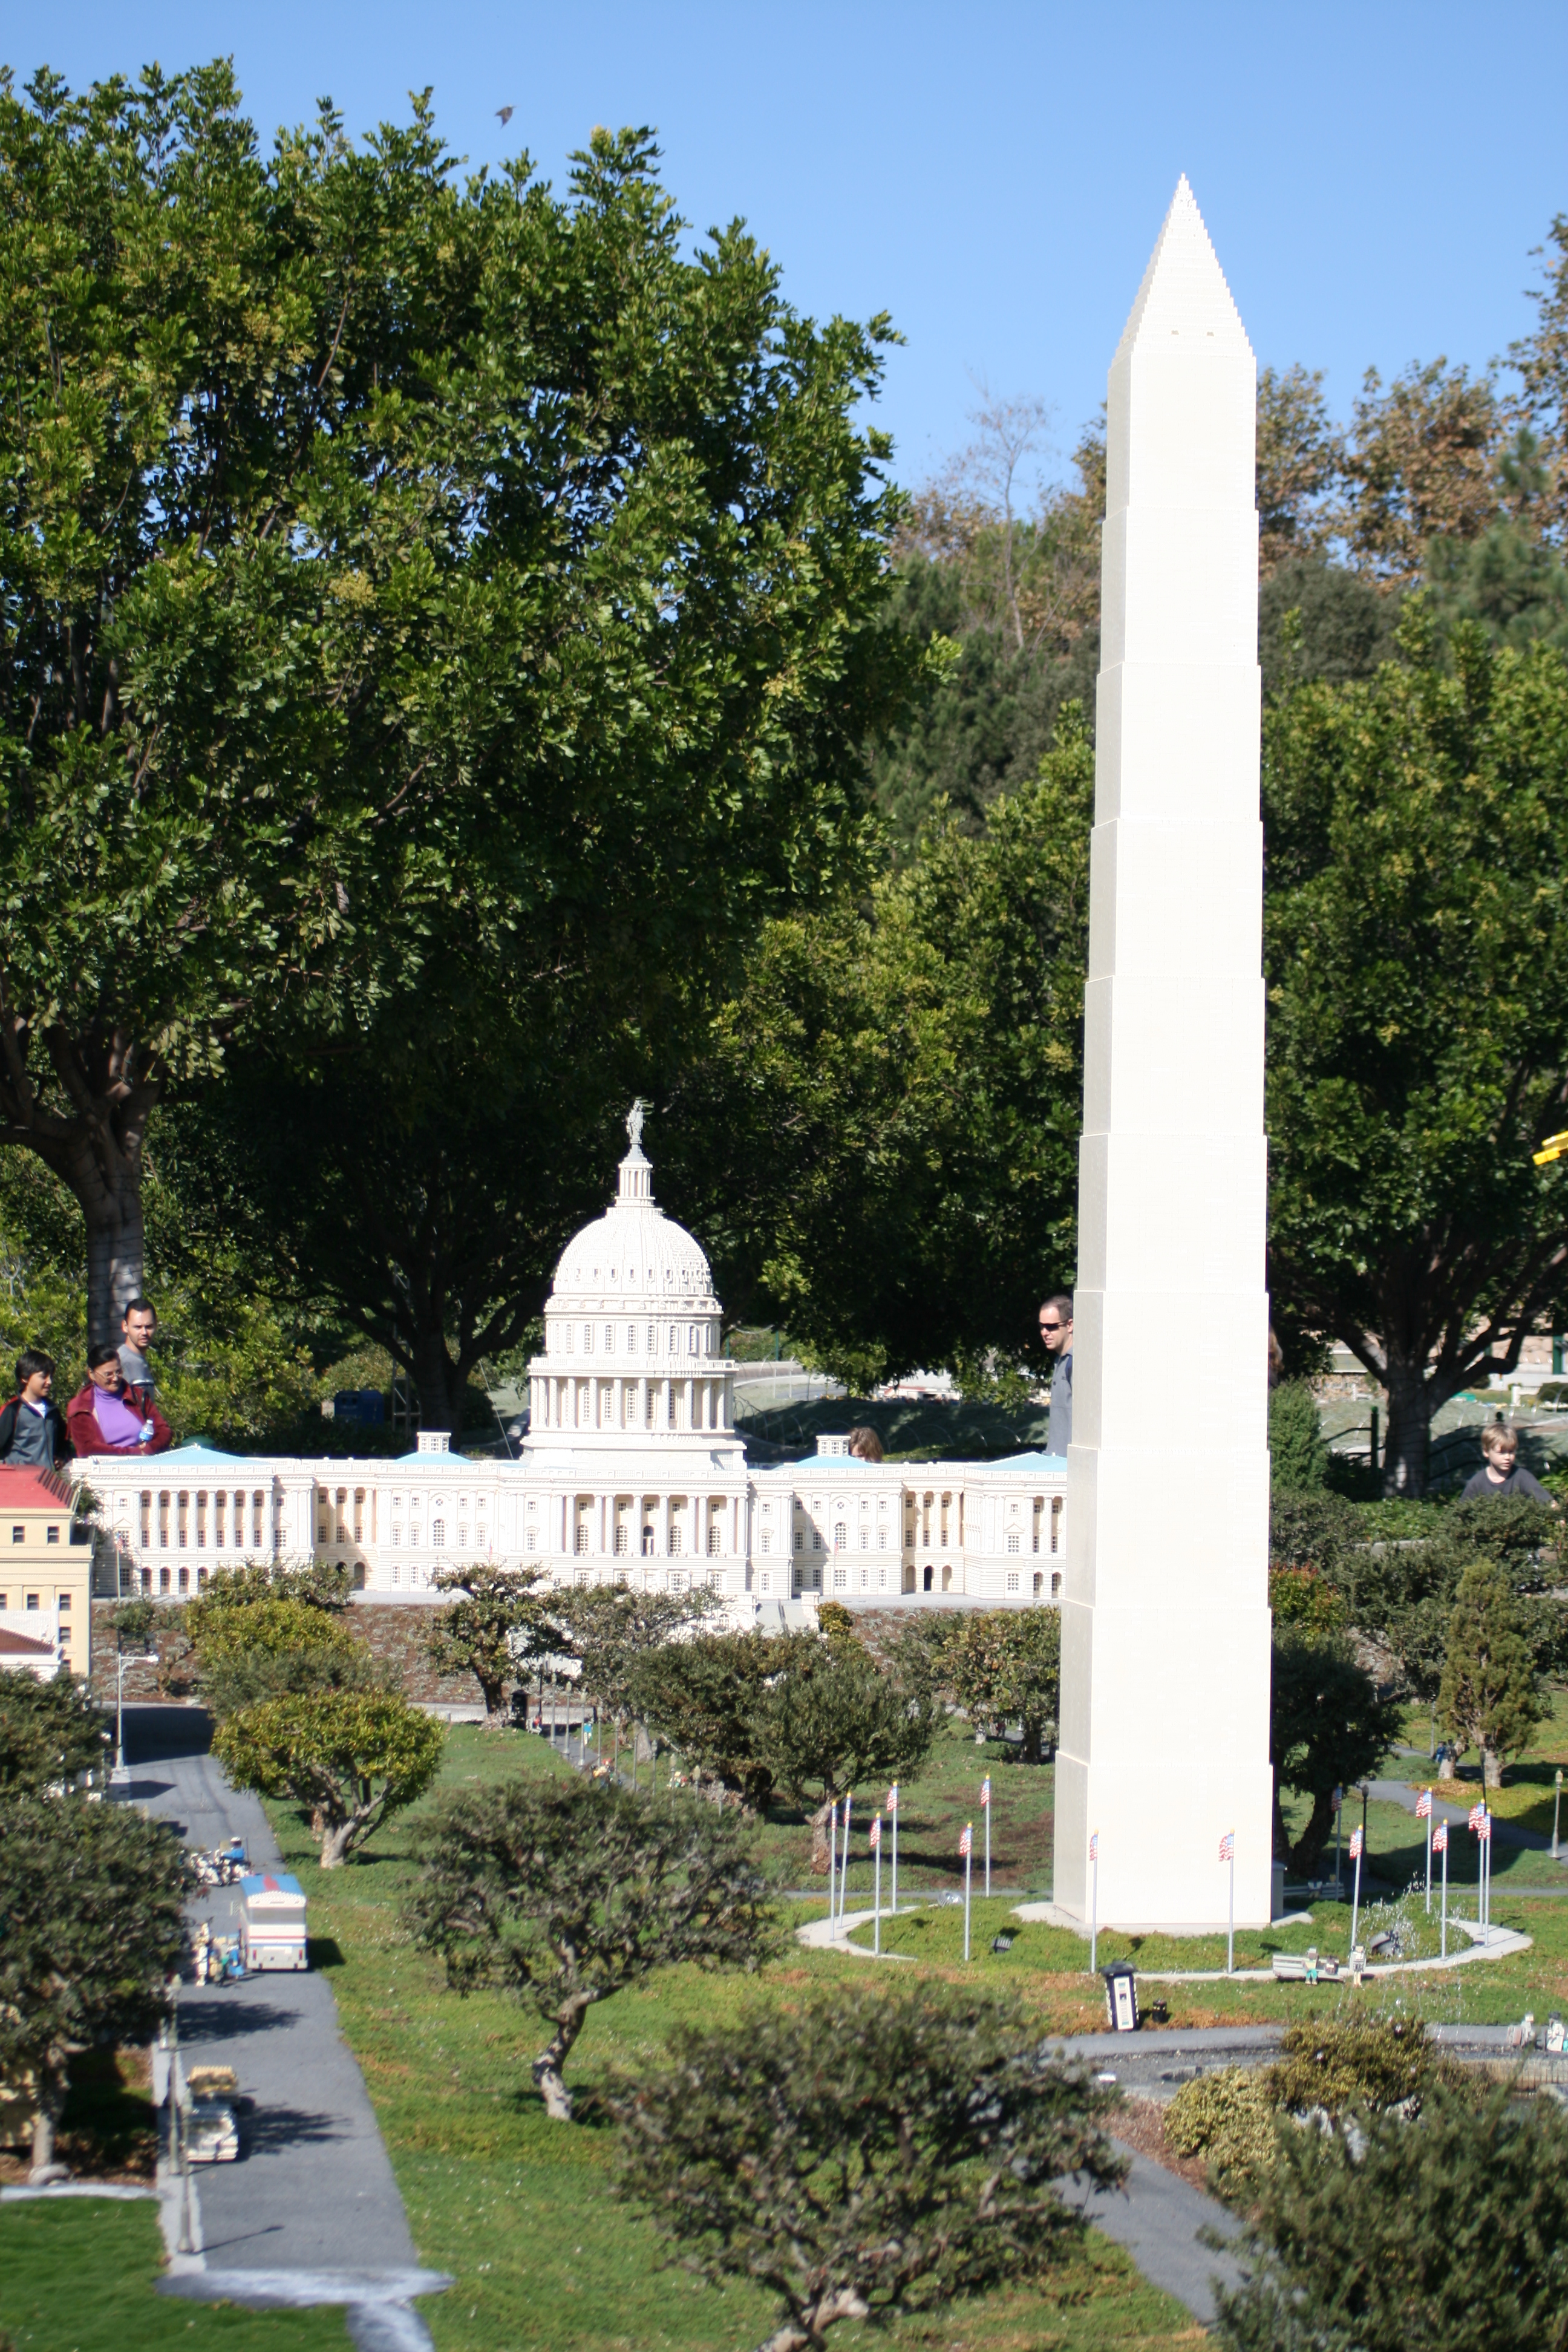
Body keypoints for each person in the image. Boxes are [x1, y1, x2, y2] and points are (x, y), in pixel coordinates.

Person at [66, 1344, 172, 1457]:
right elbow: (87, 1449)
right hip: (107, 1467)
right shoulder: (80, 1408)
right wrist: (134, 1453)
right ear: (92, 1374)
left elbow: (164, 1430)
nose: (115, 1378)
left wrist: (150, 1449)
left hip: (145, 1463)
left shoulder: (137, 1395)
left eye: (118, 1372)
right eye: (108, 1375)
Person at [0, 1350, 74, 1467]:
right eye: (43, 1377)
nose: (49, 1382)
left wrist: (62, 1457)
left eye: (51, 1377)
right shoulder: (13, 1410)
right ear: (25, 1377)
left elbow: (64, 1443)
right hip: (19, 1478)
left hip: (47, 1477)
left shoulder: (53, 1411)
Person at [1461, 1420, 1552, 1503]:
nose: (1507, 1457)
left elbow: (1548, 1502)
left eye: (1511, 1452)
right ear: (1486, 1452)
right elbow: (1462, 1511)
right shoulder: (1477, 1483)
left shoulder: (1522, 1477)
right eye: (1501, 1452)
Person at [1040, 1293, 1074, 1455]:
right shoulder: (1060, 1360)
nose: (1044, 1332)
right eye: (1042, 1326)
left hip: (1070, 1463)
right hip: (1055, 1460)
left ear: (1070, 1325)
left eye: (1051, 1327)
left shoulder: (1077, 1362)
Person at [118, 1297, 158, 1404]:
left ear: (156, 1325)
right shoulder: (122, 1362)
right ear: (125, 1327)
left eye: (149, 1327)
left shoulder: (140, 1361)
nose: (144, 1332)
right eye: (138, 1327)